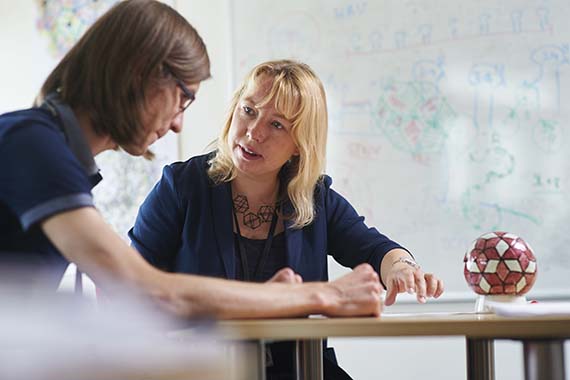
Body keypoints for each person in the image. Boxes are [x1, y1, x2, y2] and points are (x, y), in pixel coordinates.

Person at [0, 0, 383, 320]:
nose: (180, 124)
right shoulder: (34, 144)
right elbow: (144, 289)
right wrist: (325, 296)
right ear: (139, 76)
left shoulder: (48, 149)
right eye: (183, 98)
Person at [129, 59, 445, 379]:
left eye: (277, 125)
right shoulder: (181, 186)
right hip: (202, 369)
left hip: (302, 368)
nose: (254, 132)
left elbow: (375, 249)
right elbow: (129, 286)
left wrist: (403, 268)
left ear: (299, 145)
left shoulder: (315, 197)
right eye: (249, 110)